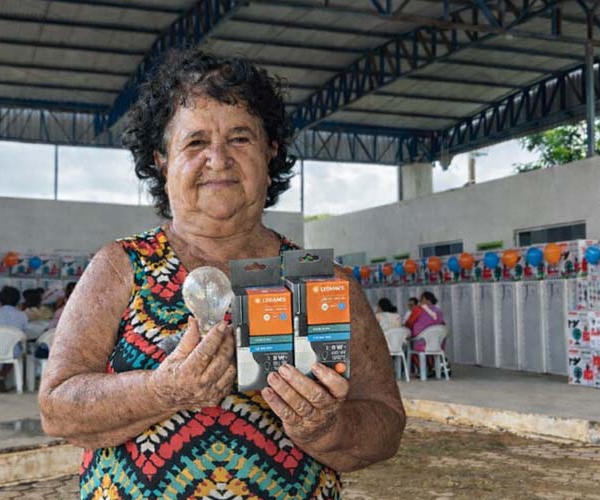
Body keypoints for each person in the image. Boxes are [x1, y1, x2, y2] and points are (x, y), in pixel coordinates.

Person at [39, 50, 405, 499]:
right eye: (194, 143)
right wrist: (161, 390)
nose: (218, 159)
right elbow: (57, 409)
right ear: (161, 160)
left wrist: (325, 427)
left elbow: (385, 423)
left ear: (270, 151)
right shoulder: (122, 265)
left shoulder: (321, 280)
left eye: (240, 138)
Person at [405, 291, 447, 373]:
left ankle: (423, 370)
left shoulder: (418, 309)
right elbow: (442, 324)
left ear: (425, 299)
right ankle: (433, 368)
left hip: (422, 344)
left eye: (421, 299)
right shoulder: (439, 311)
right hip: (438, 344)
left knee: (412, 347)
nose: (419, 302)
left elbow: (409, 323)